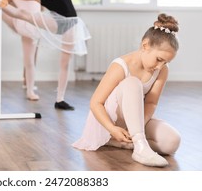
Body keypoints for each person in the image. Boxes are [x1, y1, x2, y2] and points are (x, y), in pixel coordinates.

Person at [72, 13, 181, 167]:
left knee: (172, 141)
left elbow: (151, 103)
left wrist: (138, 125)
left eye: (166, 62)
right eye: (159, 60)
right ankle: (139, 147)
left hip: (135, 121)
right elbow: (96, 103)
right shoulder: (121, 65)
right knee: (132, 83)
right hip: (110, 121)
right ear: (145, 46)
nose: (160, 66)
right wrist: (112, 128)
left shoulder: (162, 70)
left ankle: (128, 142)